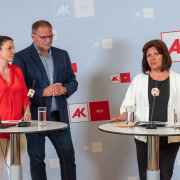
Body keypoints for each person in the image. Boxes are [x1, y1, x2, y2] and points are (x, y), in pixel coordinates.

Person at [12, 20, 77, 180]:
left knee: (68, 159)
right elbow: (20, 90)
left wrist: (65, 89)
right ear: (33, 36)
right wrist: (43, 92)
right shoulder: (21, 57)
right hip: (34, 118)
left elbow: (73, 81)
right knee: (37, 161)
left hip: (59, 117)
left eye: (50, 36)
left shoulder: (62, 54)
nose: (48, 40)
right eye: (43, 37)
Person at [109, 39, 180, 180]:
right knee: (145, 176)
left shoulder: (177, 80)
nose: (152, 58)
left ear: (164, 55)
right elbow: (128, 105)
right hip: (144, 138)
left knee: (165, 176)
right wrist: (125, 115)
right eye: (148, 55)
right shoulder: (139, 80)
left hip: (169, 138)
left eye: (156, 54)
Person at [0, 36, 31, 180]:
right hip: (0, 130)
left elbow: (25, 95)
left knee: (17, 174)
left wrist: (27, 112)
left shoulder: (16, 70)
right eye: (9, 48)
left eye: (13, 47)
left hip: (17, 129)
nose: (14, 51)